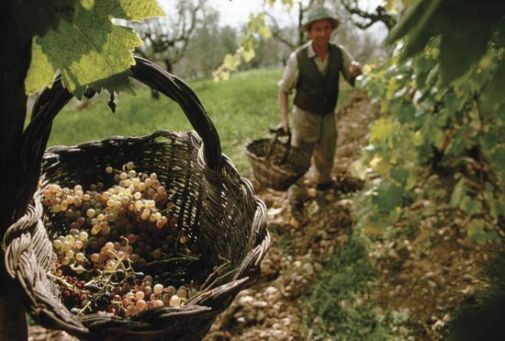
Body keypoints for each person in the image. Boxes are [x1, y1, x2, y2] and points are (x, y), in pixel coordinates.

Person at [277, 6, 362, 217]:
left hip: (328, 114)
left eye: (326, 28)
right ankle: (298, 196)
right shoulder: (299, 58)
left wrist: (356, 71)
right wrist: (285, 120)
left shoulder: (339, 53)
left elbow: (353, 78)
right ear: (309, 32)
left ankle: (324, 187)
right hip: (305, 116)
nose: (322, 33)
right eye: (317, 29)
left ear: (331, 30)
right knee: (300, 158)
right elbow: (283, 90)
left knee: (327, 153)